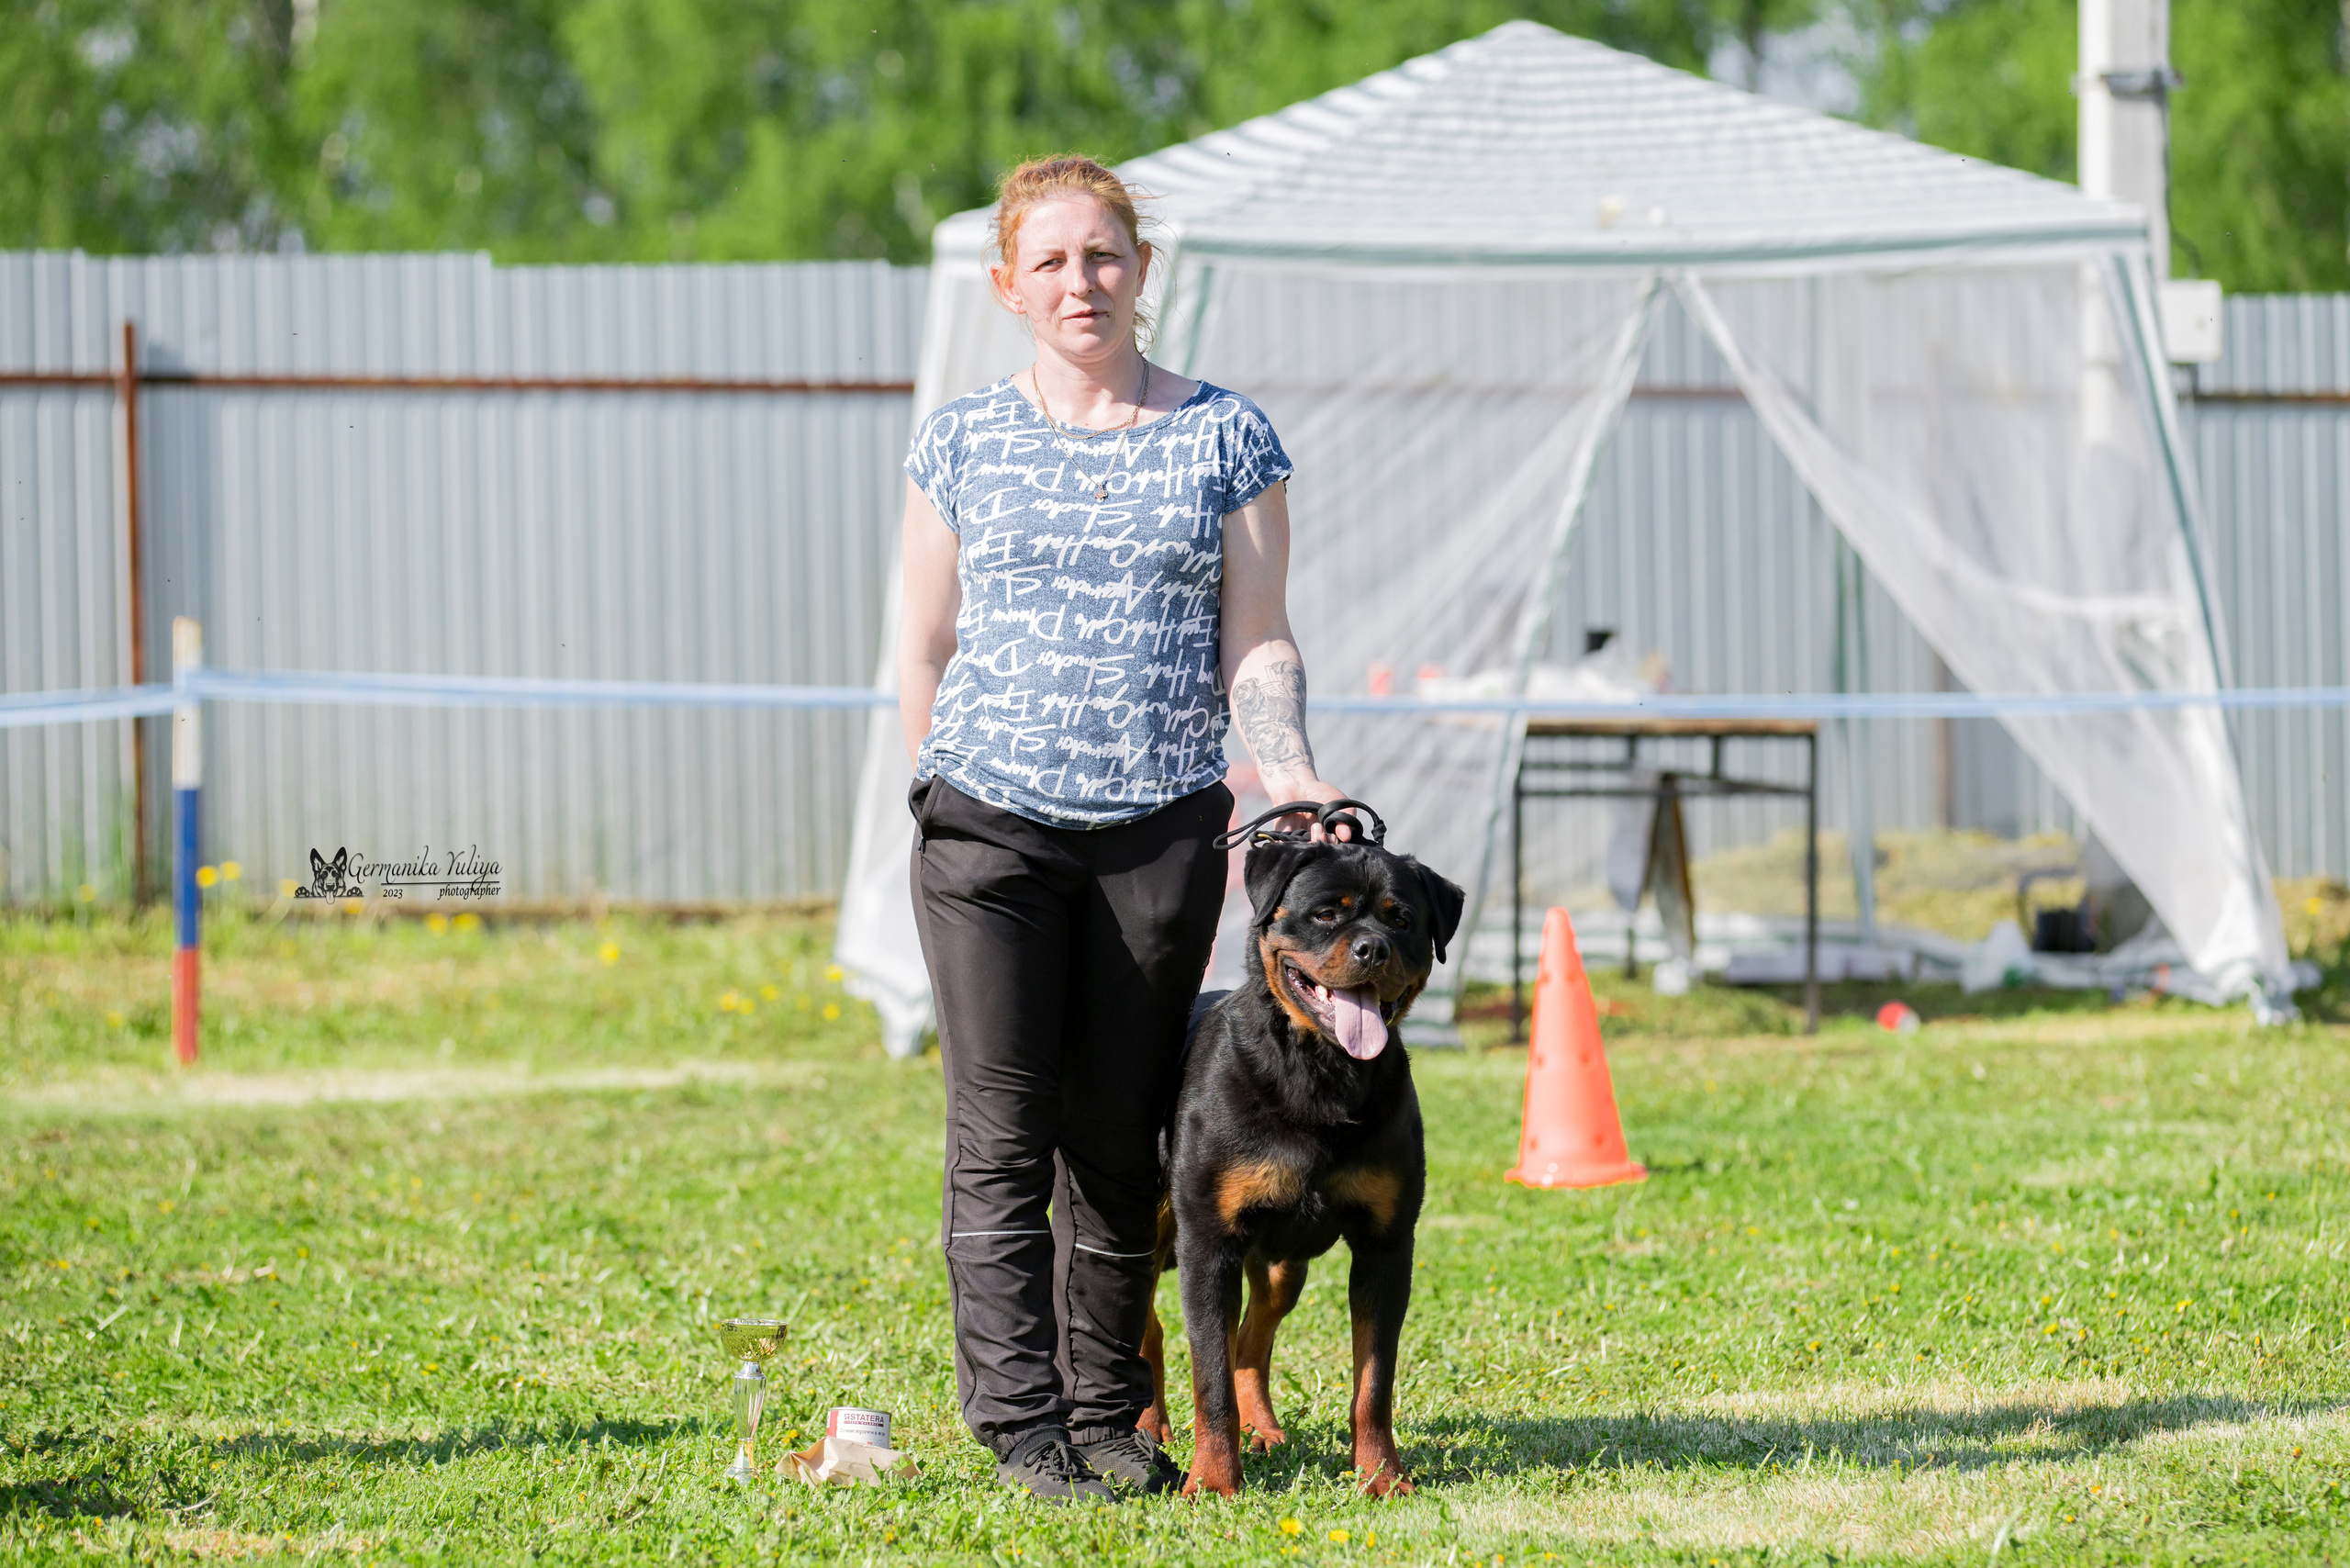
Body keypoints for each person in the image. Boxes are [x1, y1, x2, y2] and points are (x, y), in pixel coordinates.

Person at [897, 154, 1352, 1502]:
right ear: (1006, 286)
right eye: (1049, 262)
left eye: (1102, 257)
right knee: (999, 1133)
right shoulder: (962, 439)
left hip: (1158, 834)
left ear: (1142, 271)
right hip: (989, 835)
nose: (1079, 282)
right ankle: (1023, 1426)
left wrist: (1293, 776)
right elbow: (921, 644)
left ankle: (1111, 1414)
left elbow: (1256, 637)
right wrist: (936, 789)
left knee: (1117, 1140)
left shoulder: (1228, 438)